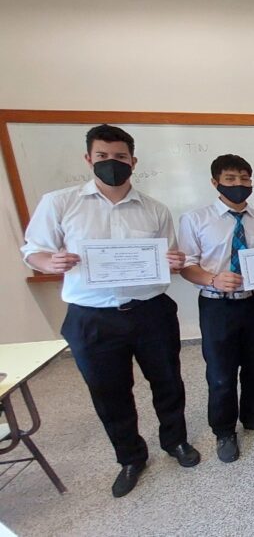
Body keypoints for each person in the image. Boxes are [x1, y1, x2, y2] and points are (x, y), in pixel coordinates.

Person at [21, 124, 197, 497]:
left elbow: (170, 257)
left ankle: (175, 441)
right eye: (102, 156)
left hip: (150, 311)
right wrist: (49, 262)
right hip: (92, 315)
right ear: (89, 159)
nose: (111, 163)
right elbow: (33, 251)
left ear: (133, 161)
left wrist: (174, 260)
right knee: (108, 390)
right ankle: (130, 457)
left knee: (167, 381)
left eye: (120, 157)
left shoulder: (154, 208)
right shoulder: (60, 203)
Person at [178, 154, 254, 463]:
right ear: (215, 182)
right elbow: (186, 266)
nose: (239, 184)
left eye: (244, 178)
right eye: (230, 179)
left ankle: (252, 415)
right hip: (217, 305)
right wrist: (213, 279)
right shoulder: (195, 219)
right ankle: (224, 430)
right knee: (221, 373)